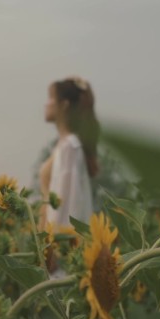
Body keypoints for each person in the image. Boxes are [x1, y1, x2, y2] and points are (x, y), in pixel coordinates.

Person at [39, 76, 100, 231]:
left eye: (51, 98)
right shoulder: (65, 146)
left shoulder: (70, 148)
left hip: (59, 242)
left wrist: (56, 246)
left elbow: (67, 208)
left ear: (64, 105)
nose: (46, 103)